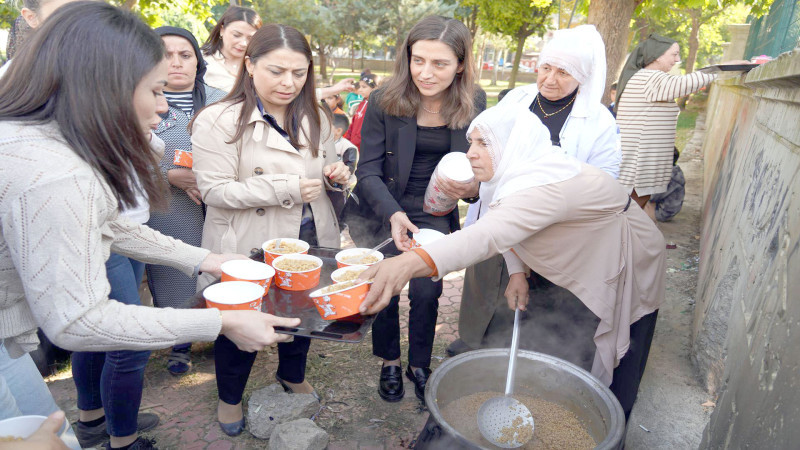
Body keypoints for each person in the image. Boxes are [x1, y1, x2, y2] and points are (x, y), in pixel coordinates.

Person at [0, 3, 299, 448]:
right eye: (155, 91)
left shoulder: (49, 137)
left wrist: (208, 258)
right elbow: (78, 321)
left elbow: (109, 225)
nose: (163, 108)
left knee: (50, 432)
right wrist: (219, 323)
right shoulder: (57, 173)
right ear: (106, 86)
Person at [359, 103, 666, 420]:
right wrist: (518, 273)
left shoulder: (543, 185)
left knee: (616, 361)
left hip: (628, 258)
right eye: (471, 142)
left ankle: (601, 422)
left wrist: (406, 265)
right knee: (567, 341)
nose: (470, 153)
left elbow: (487, 235)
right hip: (585, 258)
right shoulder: (520, 171)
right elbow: (507, 221)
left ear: (513, 144)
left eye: (483, 143)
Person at [191, 23, 352, 437]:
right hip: (247, 243)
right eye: (277, 71)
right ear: (249, 65)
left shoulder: (315, 115)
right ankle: (229, 397)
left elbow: (324, 172)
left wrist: (335, 175)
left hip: (310, 234)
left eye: (299, 73)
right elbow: (214, 190)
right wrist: (286, 187)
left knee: (303, 314)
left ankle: (291, 374)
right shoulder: (218, 120)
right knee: (240, 322)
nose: (289, 83)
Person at [448, 24, 621, 357]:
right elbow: (486, 151)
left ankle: (519, 359)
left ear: (583, 77)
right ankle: (473, 346)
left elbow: (604, 181)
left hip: (555, 233)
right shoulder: (517, 100)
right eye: (545, 68)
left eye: (564, 72)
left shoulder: (599, 122)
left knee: (532, 305)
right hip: (501, 219)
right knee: (487, 287)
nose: (550, 79)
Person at [347, 15, 486, 403]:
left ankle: (419, 363)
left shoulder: (474, 101)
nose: (425, 73)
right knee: (386, 287)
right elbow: (369, 169)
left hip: (435, 210)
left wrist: (472, 189)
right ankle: (390, 361)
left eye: (439, 63)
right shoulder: (383, 99)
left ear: (460, 64)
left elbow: (480, 169)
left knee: (427, 291)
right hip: (384, 205)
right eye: (418, 60)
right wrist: (392, 213)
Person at [143, 27, 228, 378]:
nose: (176, 63)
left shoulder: (222, 99)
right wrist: (167, 176)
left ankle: (223, 332)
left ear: (198, 60)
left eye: (185, 54)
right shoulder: (137, 99)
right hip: (169, 206)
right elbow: (121, 159)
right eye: (165, 54)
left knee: (223, 268)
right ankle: (180, 343)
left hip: (221, 205)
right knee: (175, 272)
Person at [615, 34, 742, 209]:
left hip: (639, 161)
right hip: (639, 164)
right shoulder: (649, 78)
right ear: (657, 55)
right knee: (629, 210)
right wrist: (724, 68)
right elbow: (685, 83)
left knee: (633, 209)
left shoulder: (645, 77)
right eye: (674, 54)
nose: (677, 59)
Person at [0, 0, 81, 79]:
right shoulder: (11, 79)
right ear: (31, 18)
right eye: (60, 17)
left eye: (82, 13)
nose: (75, 25)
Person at [201, 6, 261, 92]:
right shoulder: (201, 60)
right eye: (236, 35)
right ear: (222, 30)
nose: (243, 43)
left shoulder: (258, 67)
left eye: (250, 38)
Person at [343, 74, 376, 149]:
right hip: (353, 146)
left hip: (364, 148)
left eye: (364, 87)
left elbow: (367, 130)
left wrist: (353, 144)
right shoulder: (362, 103)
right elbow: (353, 124)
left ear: (374, 88)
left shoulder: (375, 107)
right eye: (360, 86)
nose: (360, 90)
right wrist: (347, 141)